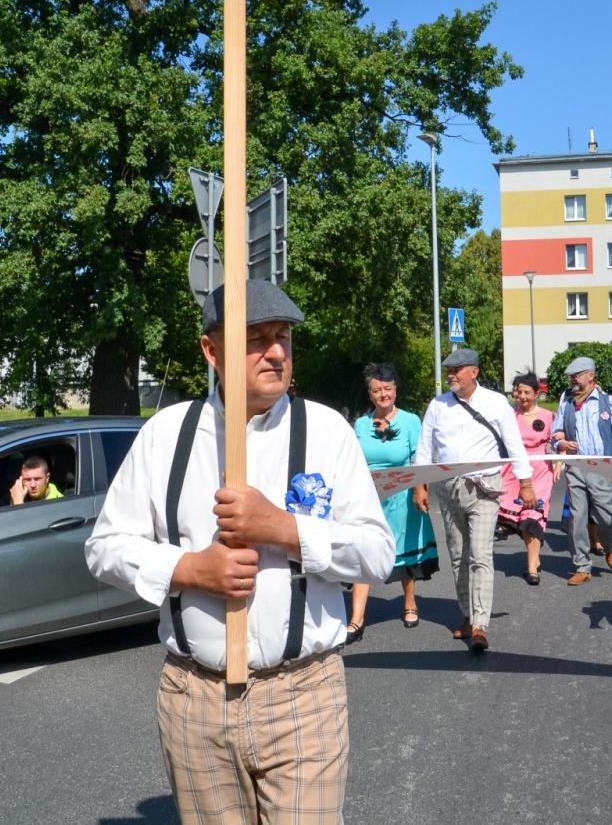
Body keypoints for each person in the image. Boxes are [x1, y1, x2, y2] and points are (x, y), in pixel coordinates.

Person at [85, 280, 395, 824]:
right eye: (257, 339)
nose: (277, 352)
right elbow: (105, 548)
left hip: (305, 693)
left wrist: (284, 528)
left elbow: (377, 555)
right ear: (212, 350)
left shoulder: (327, 432)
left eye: (284, 337)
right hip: (194, 697)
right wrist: (188, 569)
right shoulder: (167, 435)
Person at [415, 347, 536, 653]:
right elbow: (425, 449)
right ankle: (468, 614)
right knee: (457, 555)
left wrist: (525, 483)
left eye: (457, 370)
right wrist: (420, 486)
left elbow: (514, 445)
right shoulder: (438, 406)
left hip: (485, 489)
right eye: (449, 371)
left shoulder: (495, 403)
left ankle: (481, 624)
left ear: (474, 372)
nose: (451, 375)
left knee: (480, 555)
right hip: (448, 488)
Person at [349, 363, 436, 636]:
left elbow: (419, 459)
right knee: (365, 552)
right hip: (369, 497)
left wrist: (420, 489)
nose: (383, 394)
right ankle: (357, 618)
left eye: (387, 388)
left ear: (395, 390)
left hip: (401, 497)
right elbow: (352, 461)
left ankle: (410, 602)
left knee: (403, 552)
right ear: (370, 394)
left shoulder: (410, 421)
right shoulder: (361, 424)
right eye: (377, 390)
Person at [549, 356, 612, 585]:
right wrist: (561, 444)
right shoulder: (566, 401)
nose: (573, 379)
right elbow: (555, 435)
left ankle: (610, 544)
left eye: (577, 374)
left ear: (590, 376)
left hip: (601, 466)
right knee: (577, 517)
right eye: (571, 375)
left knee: (606, 516)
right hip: (575, 467)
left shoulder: (606, 401)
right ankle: (582, 565)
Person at [498, 371, 558, 584]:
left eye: (526, 392)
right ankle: (533, 556)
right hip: (513, 469)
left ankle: (532, 567)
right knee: (518, 518)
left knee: (532, 516)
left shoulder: (548, 416)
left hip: (540, 469)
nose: (521, 396)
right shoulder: (508, 416)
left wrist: (558, 462)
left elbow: (557, 440)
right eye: (518, 392)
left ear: (536, 394)